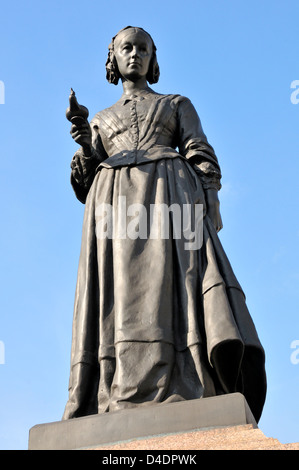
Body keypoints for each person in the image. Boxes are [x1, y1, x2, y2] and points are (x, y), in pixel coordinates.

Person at [63, 26, 266, 422]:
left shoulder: (177, 104)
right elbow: (84, 186)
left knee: (172, 291)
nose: (135, 54)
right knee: (119, 296)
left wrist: (207, 206)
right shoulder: (101, 120)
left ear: (153, 58)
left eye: (143, 48)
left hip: (170, 200)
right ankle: (117, 383)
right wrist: (86, 145)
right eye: (127, 48)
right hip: (114, 208)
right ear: (114, 58)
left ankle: (185, 378)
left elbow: (200, 154)